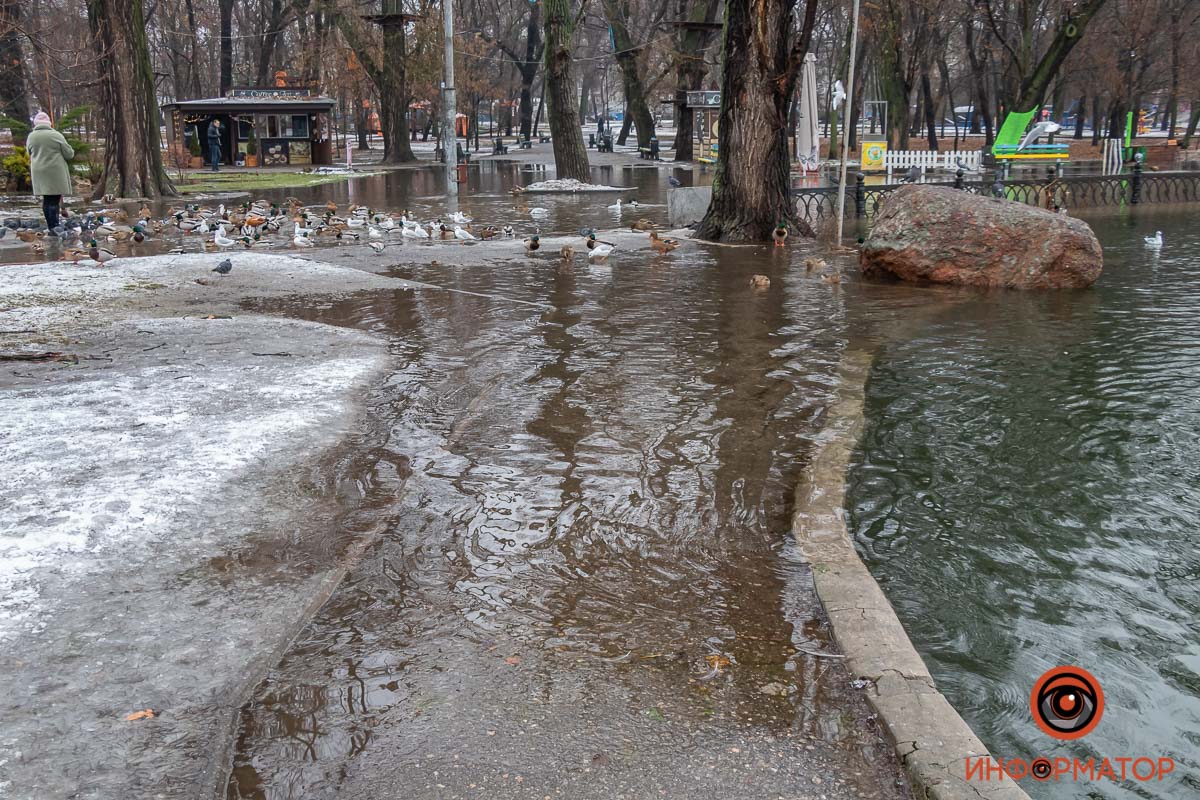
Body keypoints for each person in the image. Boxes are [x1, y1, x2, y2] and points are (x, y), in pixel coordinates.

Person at [26, 111, 74, 233]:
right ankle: (54, 227)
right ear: (49, 123)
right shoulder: (56, 135)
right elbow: (69, 154)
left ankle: (50, 226)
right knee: (54, 198)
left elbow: (29, 152)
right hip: (54, 171)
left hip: (38, 172)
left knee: (47, 199)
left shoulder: (31, 136)